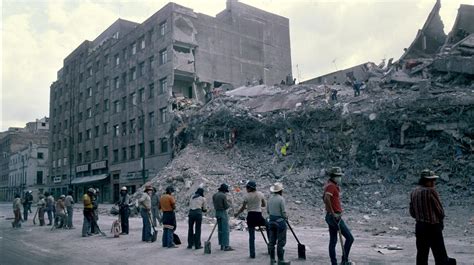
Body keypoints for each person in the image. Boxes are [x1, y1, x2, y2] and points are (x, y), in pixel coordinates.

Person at [410, 169, 456, 265]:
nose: (433, 182)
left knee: (422, 255)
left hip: (419, 227)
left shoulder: (413, 192)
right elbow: (439, 210)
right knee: (440, 254)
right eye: (431, 180)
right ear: (426, 181)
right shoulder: (431, 191)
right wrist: (440, 222)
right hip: (433, 226)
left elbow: (412, 212)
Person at [323, 167, 354, 265]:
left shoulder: (330, 185)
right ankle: (344, 261)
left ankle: (335, 263)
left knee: (333, 241)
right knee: (349, 238)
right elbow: (326, 199)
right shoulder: (331, 186)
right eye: (338, 176)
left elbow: (324, 198)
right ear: (333, 176)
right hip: (334, 217)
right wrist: (333, 213)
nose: (339, 178)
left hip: (332, 216)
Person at [234, 180, 267, 259]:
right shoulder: (260, 194)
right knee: (268, 227)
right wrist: (258, 204)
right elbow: (264, 204)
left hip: (251, 216)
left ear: (249, 188)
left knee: (251, 236)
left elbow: (242, 208)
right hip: (258, 215)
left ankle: (252, 254)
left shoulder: (246, 196)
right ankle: (271, 245)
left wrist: (237, 214)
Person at [267, 182, 289, 264]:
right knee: (281, 241)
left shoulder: (270, 198)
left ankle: (272, 260)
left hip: (271, 221)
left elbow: (268, 211)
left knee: (272, 241)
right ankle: (281, 260)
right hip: (279, 222)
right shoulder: (281, 199)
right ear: (280, 191)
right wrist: (286, 217)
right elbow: (283, 212)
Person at [212, 183, 234, 251]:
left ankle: (221, 245)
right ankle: (226, 245)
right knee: (225, 230)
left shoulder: (214, 195)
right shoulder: (223, 196)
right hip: (223, 213)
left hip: (217, 212)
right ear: (224, 190)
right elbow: (226, 206)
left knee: (220, 230)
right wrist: (230, 203)